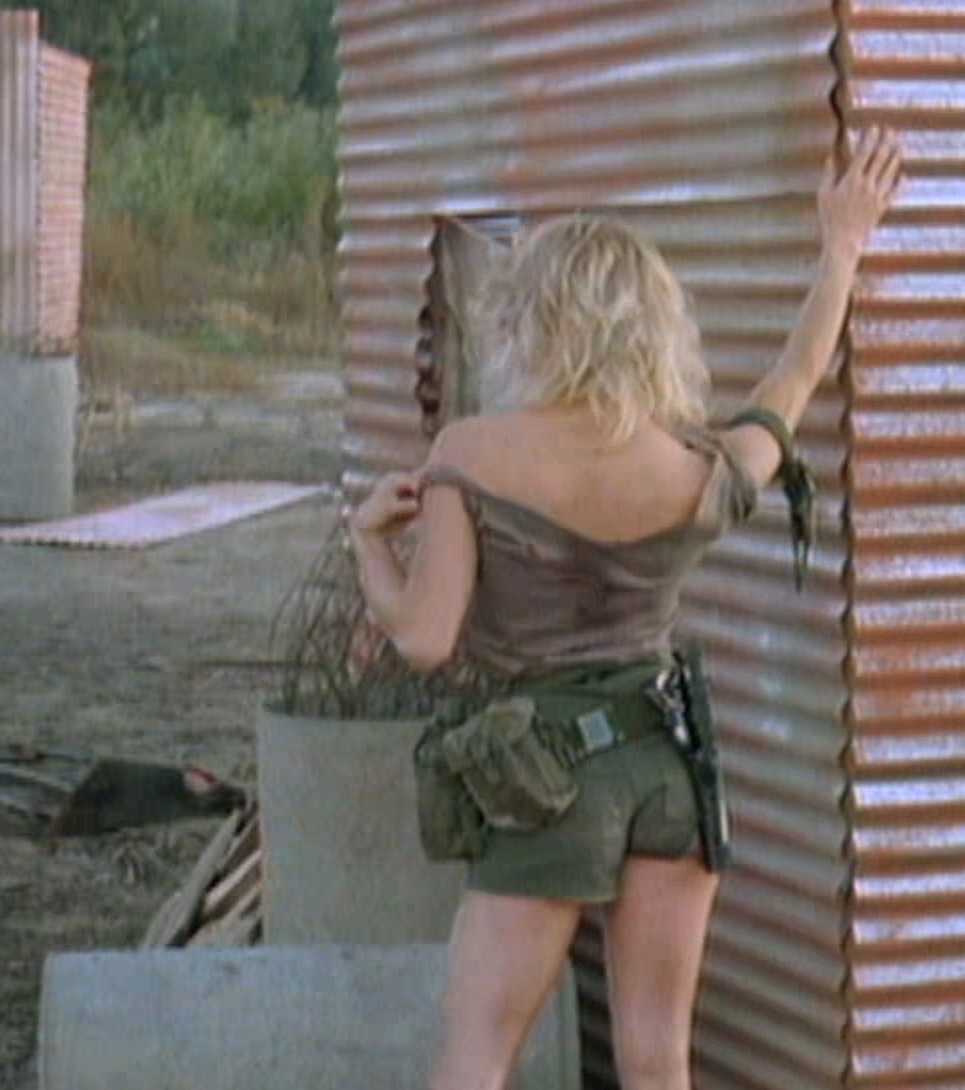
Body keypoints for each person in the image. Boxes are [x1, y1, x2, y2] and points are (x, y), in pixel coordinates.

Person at [346, 127, 904, 1090]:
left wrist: (368, 546)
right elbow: (787, 390)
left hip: (542, 777)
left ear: (537, 321)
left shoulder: (470, 453)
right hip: (669, 766)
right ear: (650, 328)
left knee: (476, 1052)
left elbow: (427, 639)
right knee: (656, 1061)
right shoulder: (696, 466)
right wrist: (841, 248)